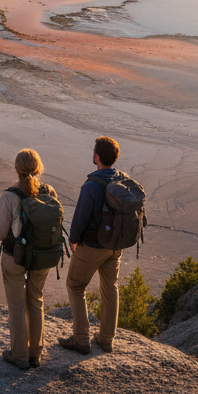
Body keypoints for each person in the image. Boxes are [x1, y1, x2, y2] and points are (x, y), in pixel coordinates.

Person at [0, 149, 58, 371]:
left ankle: (19, 355)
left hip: (14, 256)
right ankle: (35, 353)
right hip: (42, 256)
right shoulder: (49, 191)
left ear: (17, 169)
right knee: (35, 300)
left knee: (17, 305)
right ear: (39, 168)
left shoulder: (10, 196)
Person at [58, 135, 123, 355]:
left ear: (96, 156)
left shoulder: (92, 185)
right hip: (115, 246)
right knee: (110, 288)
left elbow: (80, 217)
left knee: (75, 286)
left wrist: (73, 239)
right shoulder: (122, 180)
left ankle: (81, 339)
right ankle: (106, 339)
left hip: (93, 246)